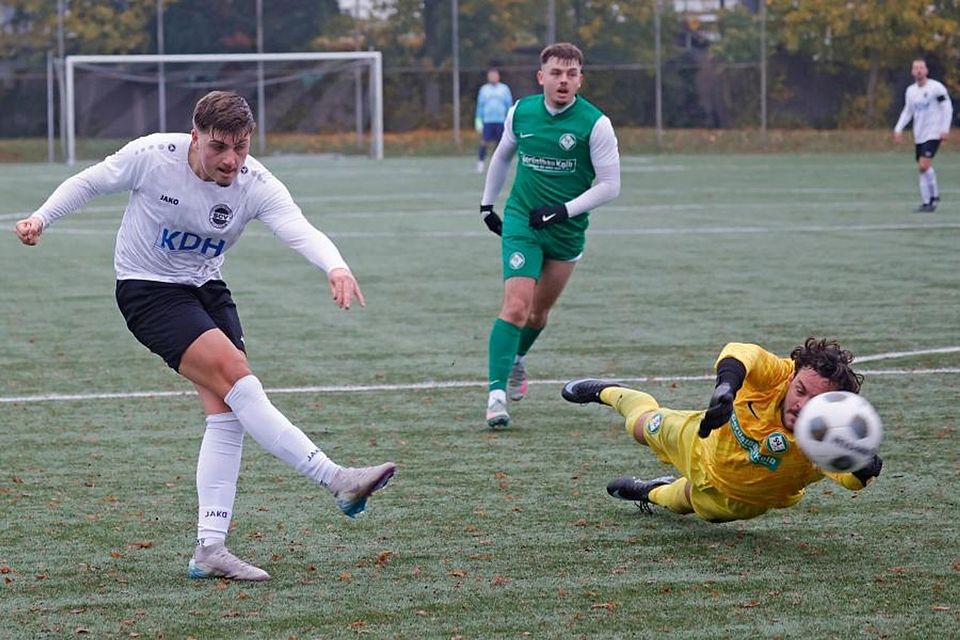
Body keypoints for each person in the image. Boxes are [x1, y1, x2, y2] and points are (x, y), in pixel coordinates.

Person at [13, 90, 396, 581]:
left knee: (229, 415)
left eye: (241, 146)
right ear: (194, 137)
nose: (231, 158)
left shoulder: (255, 182)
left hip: (207, 289)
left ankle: (209, 549)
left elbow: (297, 227)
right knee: (240, 381)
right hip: (148, 292)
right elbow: (89, 183)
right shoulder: (151, 157)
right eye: (219, 146)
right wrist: (41, 217)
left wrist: (335, 265)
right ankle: (336, 479)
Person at [561, 338, 883, 523]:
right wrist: (726, 387)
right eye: (800, 390)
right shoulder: (777, 376)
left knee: (681, 501)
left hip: (738, 500)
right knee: (641, 426)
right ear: (792, 376)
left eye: (816, 401)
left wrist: (862, 463)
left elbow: (850, 477)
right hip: (701, 441)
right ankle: (609, 392)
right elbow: (741, 352)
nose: (802, 404)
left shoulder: (827, 436)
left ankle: (649, 491)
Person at [479, 42, 621, 429]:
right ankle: (495, 397)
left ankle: (517, 359)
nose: (563, 80)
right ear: (541, 77)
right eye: (556, 73)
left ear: (580, 80)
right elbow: (503, 155)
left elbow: (610, 186)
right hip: (522, 222)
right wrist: (487, 205)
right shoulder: (521, 111)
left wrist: (563, 211)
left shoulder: (595, 123)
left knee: (538, 315)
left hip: (567, 231)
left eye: (571, 74)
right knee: (515, 307)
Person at [893, 58, 952, 212]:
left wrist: (945, 128)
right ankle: (928, 201)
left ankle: (933, 197)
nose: (919, 70)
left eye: (921, 67)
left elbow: (947, 107)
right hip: (919, 134)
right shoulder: (911, 91)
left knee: (923, 165)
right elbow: (908, 111)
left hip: (933, 132)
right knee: (922, 168)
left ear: (926, 71)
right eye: (915, 68)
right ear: (912, 72)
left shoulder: (936, 88)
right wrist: (898, 129)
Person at [475, 66, 513, 173]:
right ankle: (481, 163)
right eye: (491, 75)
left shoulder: (504, 89)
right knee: (484, 142)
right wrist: (478, 120)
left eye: (495, 75)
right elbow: (480, 106)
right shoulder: (484, 89)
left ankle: (497, 165)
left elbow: (509, 105)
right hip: (488, 121)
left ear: (498, 76)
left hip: (501, 121)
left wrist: (509, 120)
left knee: (500, 144)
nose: (493, 77)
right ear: (488, 77)